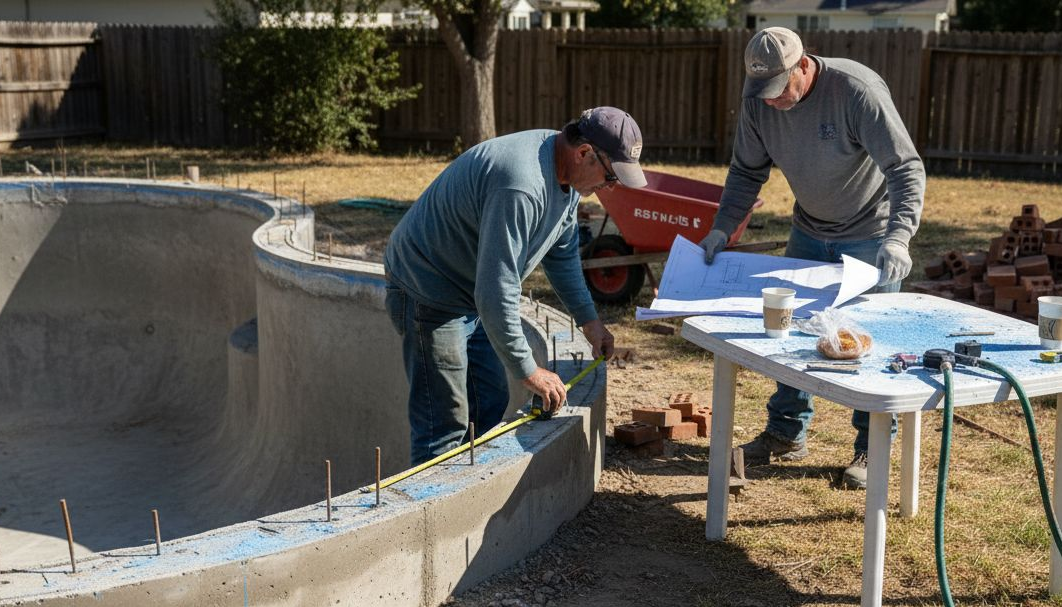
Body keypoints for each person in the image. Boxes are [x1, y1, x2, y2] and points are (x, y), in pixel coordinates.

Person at [699, 27, 925, 490]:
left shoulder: (856, 91)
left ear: (804, 66)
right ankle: (785, 433)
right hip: (809, 230)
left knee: (866, 344)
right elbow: (746, 171)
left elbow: (904, 167)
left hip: (870, 233)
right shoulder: (759, 101)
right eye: (763, 93)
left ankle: (870, 448)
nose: (772, 102)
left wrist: (899, 238)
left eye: (780, 90)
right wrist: (723, 228)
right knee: (790, 331)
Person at [384, 107, 645, 465]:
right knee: (444, 423)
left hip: (468, 292)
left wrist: (589, 320)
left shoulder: (567, 179)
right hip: (427, 289)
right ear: (584, 153)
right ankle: (428, 512)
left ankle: (465, 485)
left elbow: (563, 253)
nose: (609, 188)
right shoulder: (521, 185)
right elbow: (496, 291)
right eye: (610, 177)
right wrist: (529, 370)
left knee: (488, 398)